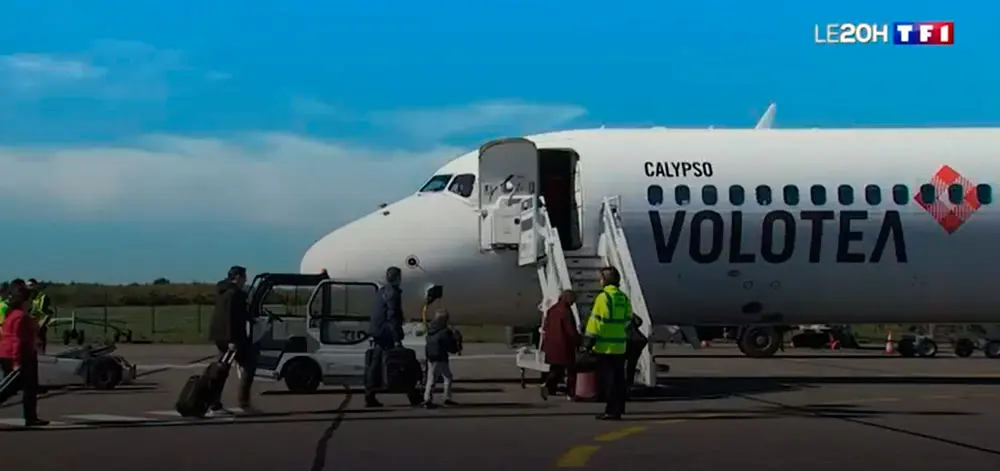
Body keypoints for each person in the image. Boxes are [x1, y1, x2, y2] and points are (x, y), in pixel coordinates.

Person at [207, 265, 260, 416]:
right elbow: (230, 317)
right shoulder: (235, 294)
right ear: (237, 277)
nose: (245, 280)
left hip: (221, 336)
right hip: (232, 338)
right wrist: (232, 339)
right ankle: (243, 404)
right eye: (244, 277)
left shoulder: (223, 292)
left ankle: (214, 403)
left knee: (221, 370)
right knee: (248, 366)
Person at [583, 266, 631, 420]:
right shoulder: (623, 297)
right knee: (618, 380)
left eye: (601, 278)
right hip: (620, 345)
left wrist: (588, 341)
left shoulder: (603, 298)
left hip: (606, 346)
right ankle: (618, 408)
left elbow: (597, 321)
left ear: (605, 280)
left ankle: (611, 411)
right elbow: (628, 319)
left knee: (608, 381)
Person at [0, 282, 48, 426]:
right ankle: (30, 417)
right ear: (25, 301)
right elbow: (18, 341)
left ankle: (31, 417)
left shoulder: (12, 314)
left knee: (22, 387)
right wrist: (17, 362)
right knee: (21, 387)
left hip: (9, 353)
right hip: (21, 355)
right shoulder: (21, 317)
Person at [364, 266, 405, 407]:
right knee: (399, 361)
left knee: (376, 362)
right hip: (386, 332)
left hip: (377, 331)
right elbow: (392, 316)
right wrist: (397, 338)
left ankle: (370, 393)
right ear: (398, 278)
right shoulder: (393, 293)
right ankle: (410, 392)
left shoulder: (381, 291)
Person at [540, 290, 581, 400]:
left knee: (555, 369)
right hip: (564, 345)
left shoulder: (551, 310)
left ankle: (549, 386)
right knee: (571, 371)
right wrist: (579, 340)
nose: (573, 303)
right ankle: (570, 393)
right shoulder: (566, 311)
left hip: (551, 345)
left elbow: (546, 327)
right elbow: (570, 330)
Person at [422, 310, 461, 408]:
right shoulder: (444, 332)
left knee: (443, 377)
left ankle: (442, 398)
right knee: (436, 379)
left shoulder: (431, 330)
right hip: (440, 357)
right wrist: (456, 341)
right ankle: (428, 399)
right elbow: (451, 347)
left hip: (431, 356)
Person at [26, 279, 54, 354]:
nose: (29, 288)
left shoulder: (42, 297)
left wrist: (41, 325)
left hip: (39, 325)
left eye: (31, 285)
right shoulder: (28, 298)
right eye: (27, 286)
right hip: (30, 326)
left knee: (39, 348)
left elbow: (47, 313)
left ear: (36, 286)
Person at [624, 314, 649, 396]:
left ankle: (625, 389)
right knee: (631, 366)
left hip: (628, 342)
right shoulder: (627, 311)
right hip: (637, 341)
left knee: (621, 367)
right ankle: (628, 388)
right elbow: (639, 321)